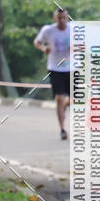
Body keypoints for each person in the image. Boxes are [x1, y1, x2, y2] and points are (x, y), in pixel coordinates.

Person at [33, 8, 71, 139]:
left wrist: (75, 48)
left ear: (67, 18)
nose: (62, 20)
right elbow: (37, 42)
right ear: (55, 18)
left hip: (72, 68)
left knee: (75, 99)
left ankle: (66, 105)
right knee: (59, 98)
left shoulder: (74, 30)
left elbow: (83, 46)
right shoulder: (48, 30)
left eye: (64, 18)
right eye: (59, 18)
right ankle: (62, 129)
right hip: (55, 68)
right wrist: (44, 48)